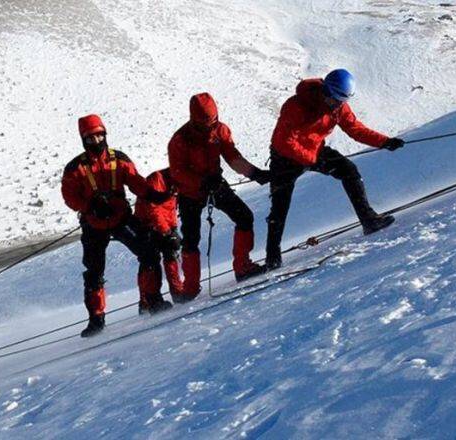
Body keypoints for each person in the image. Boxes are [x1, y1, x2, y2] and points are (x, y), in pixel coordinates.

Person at [265, 69, 404, 269]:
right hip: (284, 158)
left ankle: (368, 219)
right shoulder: (296, 105)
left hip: (314, 150)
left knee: (349, 171)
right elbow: (284, 142)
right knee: (280, 206)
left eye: (342, 101)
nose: (338, 105)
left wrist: (385, 141)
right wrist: (310, 159)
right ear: (326, 91)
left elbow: (355, 129)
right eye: (336, 100)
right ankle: (272, 258)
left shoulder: (339, 108)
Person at [61, 114, 173, 337]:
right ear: (83, 140)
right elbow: (69, 196)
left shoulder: (118, 159)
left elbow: (136, 182)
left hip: (121, 218)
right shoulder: (75, 168)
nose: (97, 141)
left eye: (100, 135)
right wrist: (90, 205)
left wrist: (155, 196)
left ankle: (153, 300)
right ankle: (96, 319)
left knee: (149, 252)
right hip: (93, 224)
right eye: (91, 138)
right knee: (93, 272)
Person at [168, 93, 271, 302]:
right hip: (191, 193)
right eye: (204, 124)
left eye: (212, 121)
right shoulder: (179, 140)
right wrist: (202, 183)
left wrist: (255, 173)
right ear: (194, 120)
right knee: (190, 239)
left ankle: (243, 267)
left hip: (214, 184)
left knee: (244, 217)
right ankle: (190, 287)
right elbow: (178, 173)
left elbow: (232, 156)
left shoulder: (220, 130)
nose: (209, 127)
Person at [133, 168, 185, 302]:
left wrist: (172, 229)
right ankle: (147, 300)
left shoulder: (177, 181)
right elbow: (153, 208)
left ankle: (177, 290)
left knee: (171, 252)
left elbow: (171, 207)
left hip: (164, 224)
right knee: (150, 261)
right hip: (147, 225)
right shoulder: (156, 179)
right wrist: (167, 231)